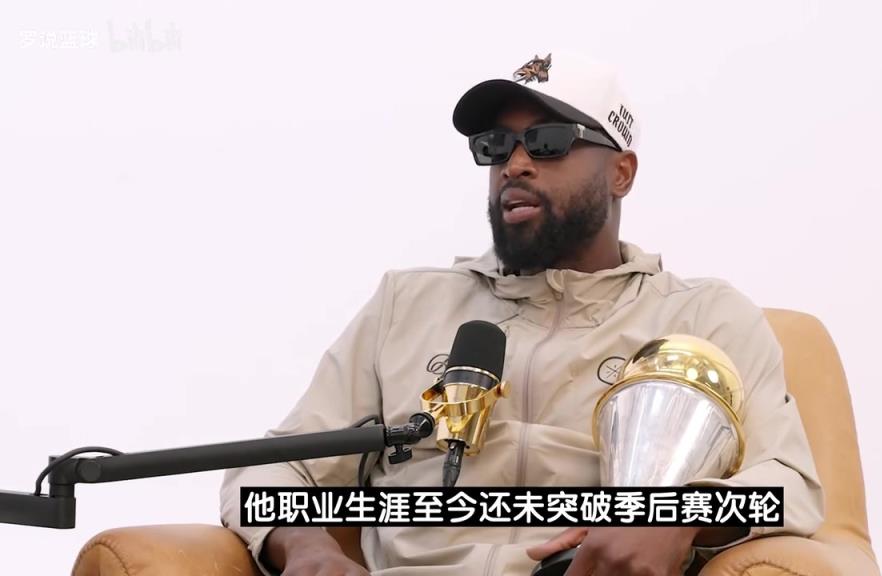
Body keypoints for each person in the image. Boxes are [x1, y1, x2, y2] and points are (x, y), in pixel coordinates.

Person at [220, 51, 824, 576]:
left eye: (547, 142)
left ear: (621, 172)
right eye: (495, 147)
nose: (514, 165)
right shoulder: (405, 305)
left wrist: (675, 517)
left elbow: (788, 486)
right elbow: (270, 472)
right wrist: (306, 550)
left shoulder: (705, 316)